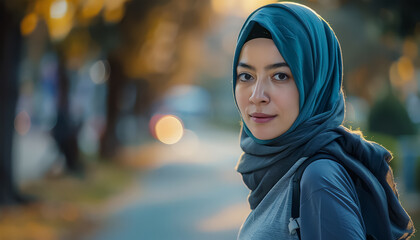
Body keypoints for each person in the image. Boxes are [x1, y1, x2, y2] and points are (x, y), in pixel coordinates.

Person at [232, 2, 415, 240]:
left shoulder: (320, 179)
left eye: (280, 76)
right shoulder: (282, 168)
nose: (257, 96)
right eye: (246, 76)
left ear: (315, 83)